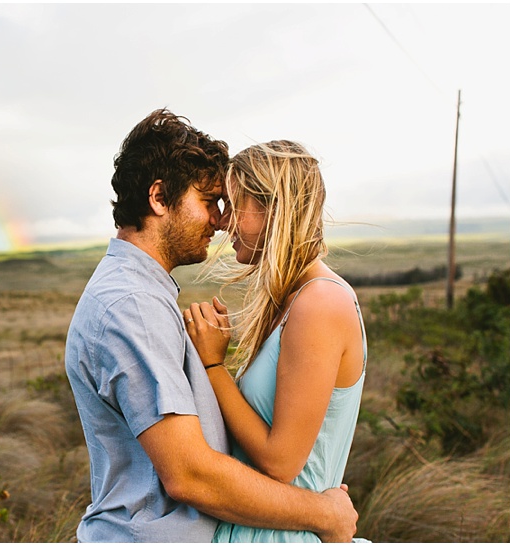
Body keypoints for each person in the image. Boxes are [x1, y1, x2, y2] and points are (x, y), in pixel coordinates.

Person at [64, 110, 358, 543]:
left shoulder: (146, 295)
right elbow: (189, 475)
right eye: (209, 202)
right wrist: (324, 513)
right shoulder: (132, 306)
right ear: (159, 199)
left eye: (229, 205)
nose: (220, 221)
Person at [184, 140, 368, 542]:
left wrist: (214, 365)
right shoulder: (295, 300)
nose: (224, 222)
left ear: (273, 208)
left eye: (234, 205)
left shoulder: (320, 303)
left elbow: (280, 461)